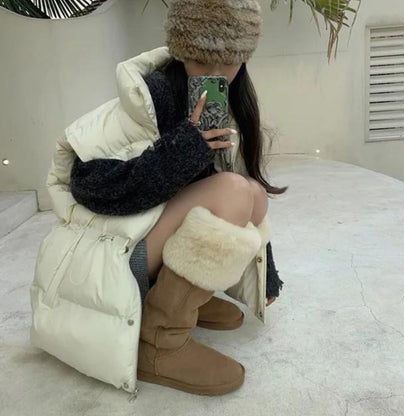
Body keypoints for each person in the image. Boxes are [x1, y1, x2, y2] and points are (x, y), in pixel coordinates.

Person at [30, 0, 288, 399]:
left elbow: (239, 186)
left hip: (147, 241)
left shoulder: (232, 106)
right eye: (201, 60)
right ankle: (159, 344)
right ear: (181, 50)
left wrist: (265, 271)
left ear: (244, 57)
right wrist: (182, 149)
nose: (214, 74)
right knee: (234, 191)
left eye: (228, 61)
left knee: (251, 192)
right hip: (114, 255)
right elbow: (87, 185)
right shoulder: (151, 96)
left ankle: (184, 297)